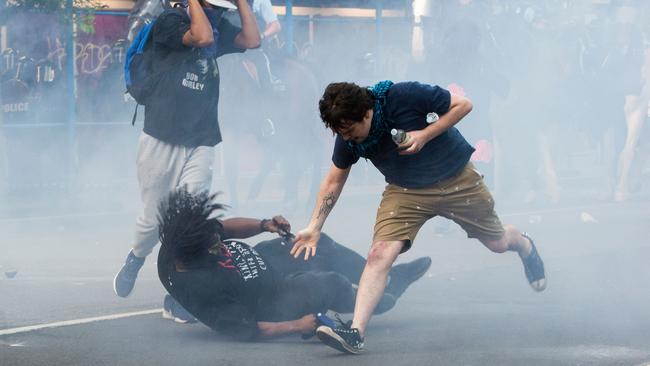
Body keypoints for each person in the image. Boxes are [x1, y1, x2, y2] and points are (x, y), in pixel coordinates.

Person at [290, 80, 547, 354]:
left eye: (352, 131)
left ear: (366, 113)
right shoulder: (348, 136)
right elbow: (333, 181)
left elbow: (464, 105)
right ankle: (355, 333)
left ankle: (524, 244)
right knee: (379, 254)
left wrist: (424, 135)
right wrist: (315, 226)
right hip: (406, 190)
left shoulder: (402, 95)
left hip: (456, 178)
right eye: (343, 134)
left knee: (498, 243)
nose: (349, 138)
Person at [113, 0, 261, 316]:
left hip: (202, 139)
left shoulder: (216, 26)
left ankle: (180, 297)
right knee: (154, 220)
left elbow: (252, 40)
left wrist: (242, 3)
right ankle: (136, 257)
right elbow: (203, 38)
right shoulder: (169, 21)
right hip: (161, 138)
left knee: (193, 219)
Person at [156, 188, 432, 339]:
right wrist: (296, 325)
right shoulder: (198, 290)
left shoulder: (188, 235)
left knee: (315, 244)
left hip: (262, 259)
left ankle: (380, 275)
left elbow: (225, 228)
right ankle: (382, 297)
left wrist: (265, 225)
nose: (219, 244)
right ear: (192, 256)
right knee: (330, 284)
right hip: (273, 300)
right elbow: (244, 328)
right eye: (213, 247)